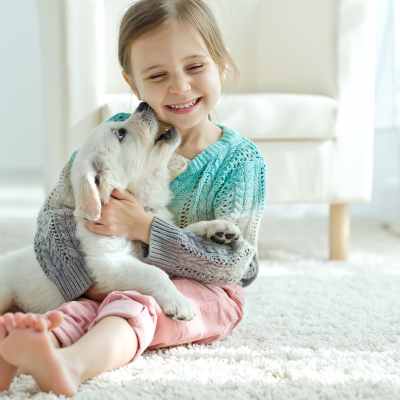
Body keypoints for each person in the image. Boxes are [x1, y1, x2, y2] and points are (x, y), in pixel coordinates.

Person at [0, 0, 266, 396]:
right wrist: (85, 283)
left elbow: (236, 266)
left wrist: (145, 228)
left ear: (221, 64)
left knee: (134, 308)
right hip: (116, 280)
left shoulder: (240, 161)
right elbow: (54, 218)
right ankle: (28, 352)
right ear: (133, 83)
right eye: (158, 75)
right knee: (80, 312)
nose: (180, 87)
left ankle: (74, 364)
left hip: (207, 293)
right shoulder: (112, 138)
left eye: (194, 67)